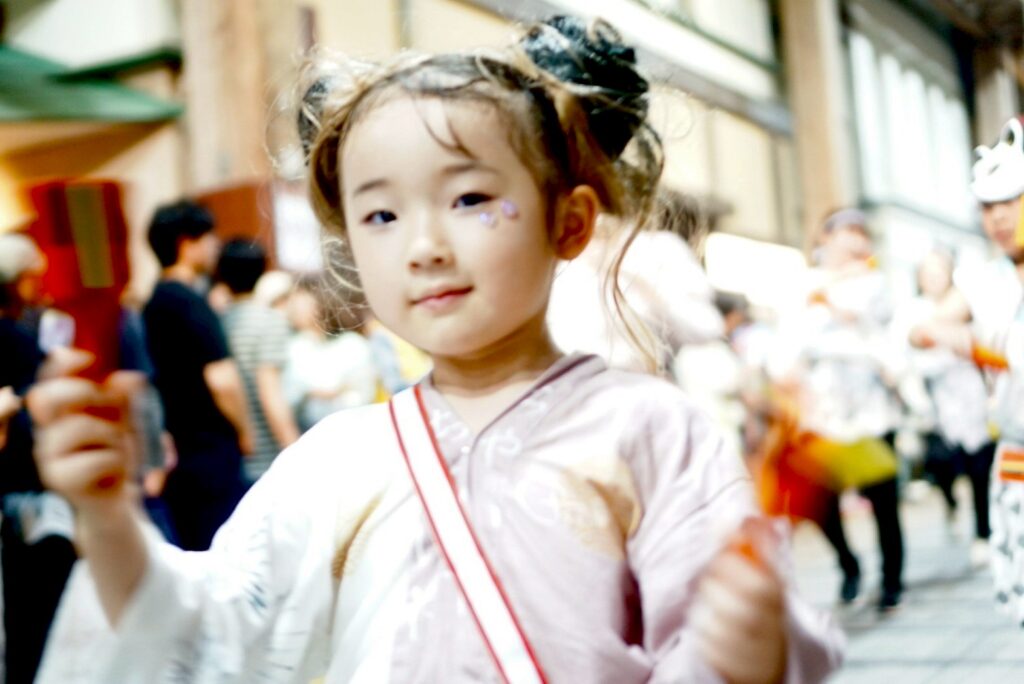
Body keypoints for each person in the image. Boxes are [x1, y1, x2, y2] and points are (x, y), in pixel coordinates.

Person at [31, 16, 841, 682]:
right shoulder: (337, 460)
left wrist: (745, 644)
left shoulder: (654, 430)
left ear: (569, 221)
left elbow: (720, 642)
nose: (423, 247)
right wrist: (107, 515)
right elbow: (214, 631)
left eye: (470, 198)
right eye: (381, 215)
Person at [913, 115, 1024, 624]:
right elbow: (924, 328)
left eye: (1011, 201)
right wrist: (959, 338)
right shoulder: (984, 280)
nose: (998, 217)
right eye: (987, 207)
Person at [771, 209, 906, 611]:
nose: (855, 238)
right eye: (847, 230)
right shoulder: (803, 284)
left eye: (860, 231)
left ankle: (892, 581)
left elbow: (880, 334)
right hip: (821, 412)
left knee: (883, 501)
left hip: (871, 409)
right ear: (826, 238)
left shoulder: (876, 283)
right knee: (822, 502)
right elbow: (785, 345)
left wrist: (832, 302)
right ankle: (848, 565)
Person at [140, 201, 254, 550]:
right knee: (228, 552)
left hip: (182, 454)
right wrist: (245, 431)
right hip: (211, 452)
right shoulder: (190, 301)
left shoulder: (154, 302)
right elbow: (221, 379)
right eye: (208, 237)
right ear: (185, 243)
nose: (215, 245)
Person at [894, 248, 993, 560]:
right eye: (928, 272)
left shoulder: (967, 303)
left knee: (979, 466)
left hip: (971, 397)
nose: (934, 278)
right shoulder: (912, 311)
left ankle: (983, 532)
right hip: (933, 401)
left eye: (939, 271)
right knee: (942, 464)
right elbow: (905, 349)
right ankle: (950, 503)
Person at [217, 240, 301, 479]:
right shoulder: (270, 321)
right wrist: (295, 450)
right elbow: (270, 392)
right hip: (267, 456)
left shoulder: (217, 321)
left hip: (233, 453)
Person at [283, 275, 379, 431]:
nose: (293, 309)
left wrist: (318, 392)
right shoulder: (294, 346)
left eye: (300, 302)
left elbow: (363, 392)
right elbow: (291, 395)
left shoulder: (352, 344)